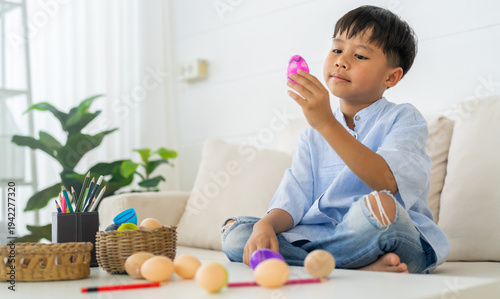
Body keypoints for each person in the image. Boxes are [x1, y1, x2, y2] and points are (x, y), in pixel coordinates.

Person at [221, 5, 449, 274]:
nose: (342, 60)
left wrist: (326, 122)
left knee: (382, 208)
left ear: (391, 76)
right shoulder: (311, 134)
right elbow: (294, 199)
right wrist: (265, 226)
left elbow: (386, 181)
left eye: (361, 55)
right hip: (326, 237)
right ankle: (354, 264)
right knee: (237, 234)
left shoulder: (404, 118)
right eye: (337, 49)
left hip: (389, 235)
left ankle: (327, 262)